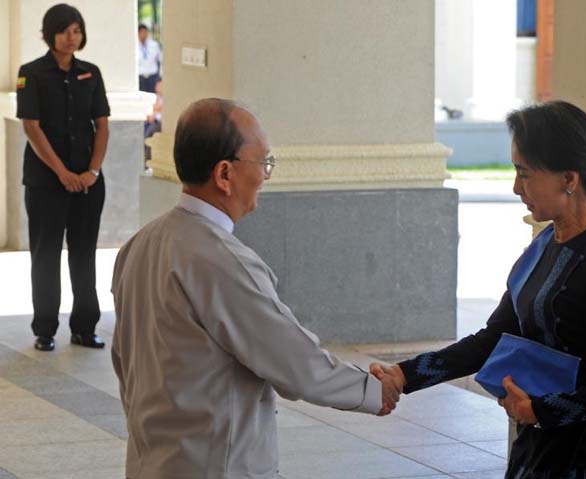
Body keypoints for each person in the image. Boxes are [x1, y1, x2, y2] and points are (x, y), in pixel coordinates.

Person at [111, 98, 399, 478]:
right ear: (224, 173)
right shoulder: (222, 260)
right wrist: (372, 390)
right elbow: (294, 362)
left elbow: (123, 360)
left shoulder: (140, 244)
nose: (265, 175)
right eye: (263, 162)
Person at [372, 101, 586, 479]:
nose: (516, 187)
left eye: (525, 173)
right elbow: (493, 338)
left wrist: (541, 410)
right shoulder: (543, 246)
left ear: (569, 180)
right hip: (538, 453)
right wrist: (405, 376)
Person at [15, 3, 110, 352]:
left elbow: (101, 125)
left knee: (84, 254)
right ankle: (45, 329)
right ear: (49, 34)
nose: (72, 38)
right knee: (46, 255)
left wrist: (91, 171)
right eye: (65, 31)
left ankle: (85, 327)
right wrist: (62, 173)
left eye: (77, 31)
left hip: (87, 182)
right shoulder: (31, 74)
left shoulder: (91, 73)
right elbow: (31, 127)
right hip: (46, 182)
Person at [137, 23, 162, 93]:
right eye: (142, 32)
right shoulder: (135, 46)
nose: (144, 34)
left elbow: (159, 60)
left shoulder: (154, 45)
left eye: (145, 32)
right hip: (140, 76)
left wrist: (159, 76)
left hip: (152, 76)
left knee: (153, 96)